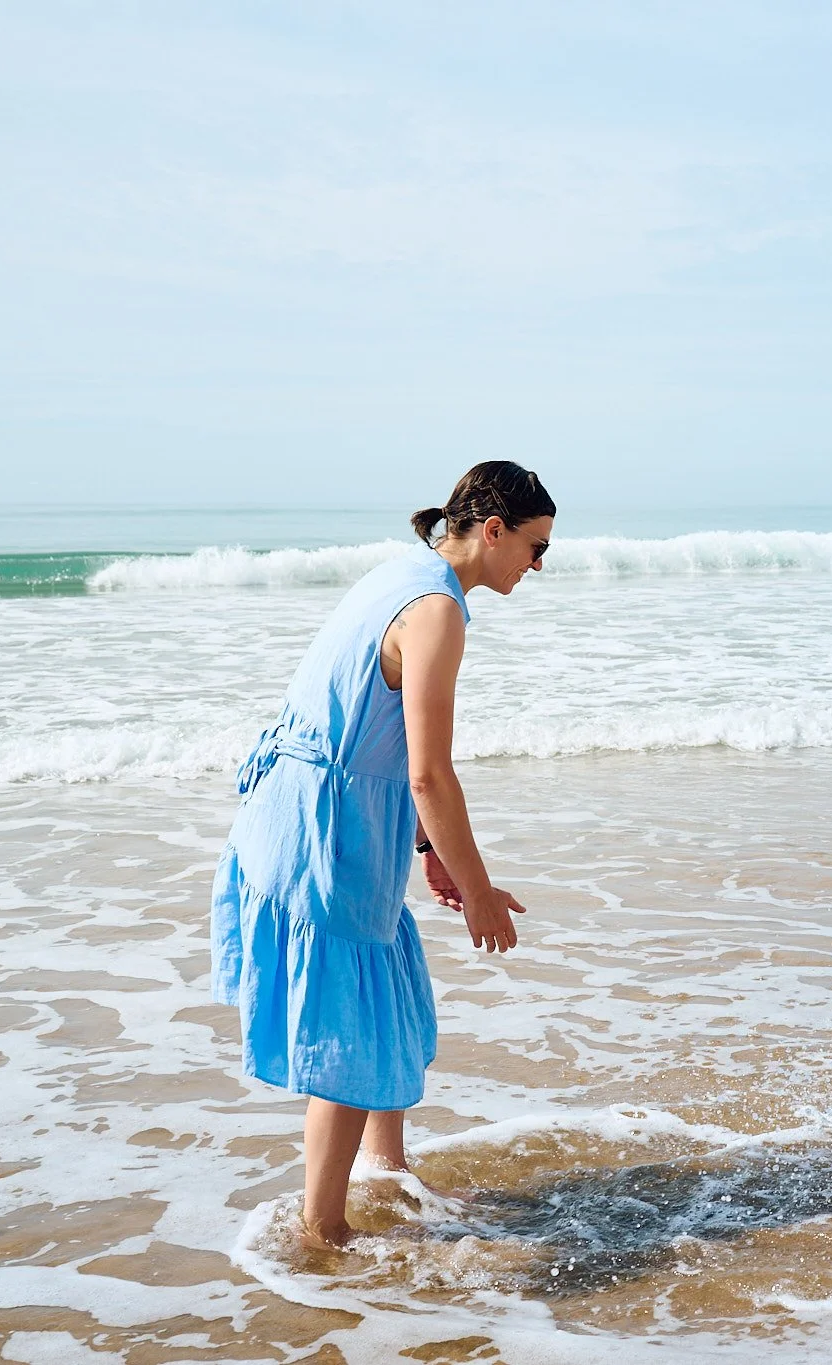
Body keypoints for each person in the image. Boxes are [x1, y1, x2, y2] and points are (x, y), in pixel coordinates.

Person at [210, 460, 554, 1249]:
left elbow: (387, 740)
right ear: (493, 530)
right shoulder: (437, 609)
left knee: (381, 997)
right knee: (350, 1035)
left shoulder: (404, 572)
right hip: (324, 835)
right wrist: (478, 891)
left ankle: (387, 1169)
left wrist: (429, 846)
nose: (539, 568)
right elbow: (430, 773)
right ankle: (322, 1230)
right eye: (536, 548)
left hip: (317, 815)